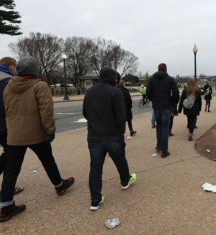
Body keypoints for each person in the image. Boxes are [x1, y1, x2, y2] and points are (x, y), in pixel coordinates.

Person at [0, 56, 74, 222]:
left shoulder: (8, 87)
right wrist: (50, 130)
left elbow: (7, 111)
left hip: (14, 135)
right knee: (48, 161)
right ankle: (59, 186)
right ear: (35, 70)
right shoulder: (39, 86)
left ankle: (5, 206)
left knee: (11, 171)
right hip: (36, 134)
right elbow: (46, 111)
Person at [83, 67, 136, 211]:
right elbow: (121, 116)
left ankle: (95, 199)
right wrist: (121, 131)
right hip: (112, 134)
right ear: (113, 78)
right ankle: (125, 180)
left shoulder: (90, 91)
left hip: (94, 135)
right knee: (120, 160)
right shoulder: (115, 92)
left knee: (95, 167)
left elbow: (85, 113)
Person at [0, 57, 24, 195]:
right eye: (15, 67)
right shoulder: (8, 82)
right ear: (11, 67)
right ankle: (7, 192)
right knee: (13, 158)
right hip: (5, 125)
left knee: (8, 154)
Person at [146, 63, 179, 158]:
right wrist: (172, 103)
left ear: (158, 69)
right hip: (166, 107)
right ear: (166, 69)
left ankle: (159, 146)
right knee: (165, 128)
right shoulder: (170, 79)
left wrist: (154, 100)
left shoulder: (152, 79)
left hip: (157, 107)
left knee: (159, 127)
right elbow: (176, 93)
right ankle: (164, 151)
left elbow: (148, 93)